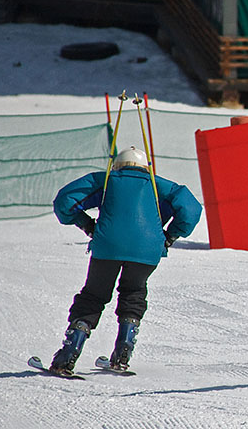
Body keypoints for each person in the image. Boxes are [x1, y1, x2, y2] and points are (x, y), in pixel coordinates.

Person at [48, 146, 202, 375]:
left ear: (117, 165)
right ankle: (122, 354)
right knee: (134, 292)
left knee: (94, 295)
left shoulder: (107, 180)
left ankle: (68, 355)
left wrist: (86, 224)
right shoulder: (159, 184)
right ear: (144, 167)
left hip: (108, 245)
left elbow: (65, 201)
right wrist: (169, 236)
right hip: (147, 250)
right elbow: (191, 208)